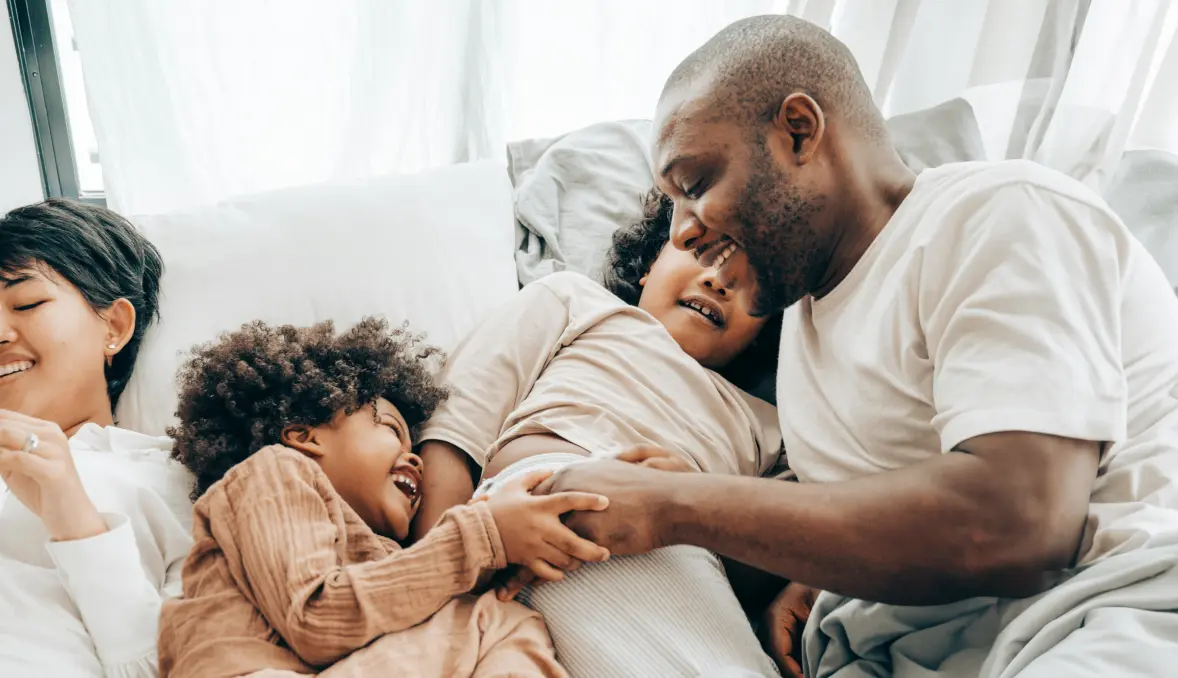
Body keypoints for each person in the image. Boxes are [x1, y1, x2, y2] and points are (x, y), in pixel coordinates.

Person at [535, 14, 1178, 678]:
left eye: (695, 186)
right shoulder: (808, 337)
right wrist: (784, 561)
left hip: (1098, 615)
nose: (686, 232)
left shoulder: (999, 214)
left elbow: (1019, 524)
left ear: (798, 131)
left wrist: (678, 507)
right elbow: (869, 522)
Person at [414, 190, 787, 678]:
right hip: (531, 512)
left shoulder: (772, 424)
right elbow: (454, 429)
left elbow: (770, 557)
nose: (719, 280)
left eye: (751, 279)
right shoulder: (578, 302)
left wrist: (697, 504)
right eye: (701, 251)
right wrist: (441, 577)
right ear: (648, 264)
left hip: (682, 552)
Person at [159, 317, 610, 678]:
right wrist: (484, 534)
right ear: (302, 436)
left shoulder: (388, 557)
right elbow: (317, 617)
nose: (416, 461)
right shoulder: (272, 474)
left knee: (506, 621)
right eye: (392, 430)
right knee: (494, 623)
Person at [0, 199, 194, 677]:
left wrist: (76, 521)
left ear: (115, 326)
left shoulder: (176, 479)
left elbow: (166, 668)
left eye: (27, 303)